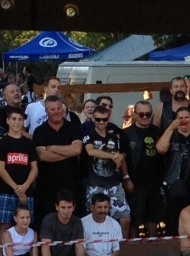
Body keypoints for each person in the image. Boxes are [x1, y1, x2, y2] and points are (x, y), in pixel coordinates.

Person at [82, 106, 131, 237]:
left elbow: (119, 157)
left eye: (104, 119)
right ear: (93, 119)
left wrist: (119, 159)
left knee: (125, 218)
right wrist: (112, 156)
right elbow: (90, 151)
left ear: (109, 119)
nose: (101, 122)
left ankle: (121, 247)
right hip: (95, 184)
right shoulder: (88, 135)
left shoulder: (114, 137)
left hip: (113, 183)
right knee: (94, 218)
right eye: (98, 119)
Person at [0, 106, 38, 249]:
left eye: (20, 119)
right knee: (5, 225)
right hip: (6, 190)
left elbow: (34, 168)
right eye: (14, 119)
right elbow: (0, 168)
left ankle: (25, 255)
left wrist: (24, 187)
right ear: (8, 121)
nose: (17, 122)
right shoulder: (2, 143)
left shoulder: (29, 143)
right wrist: (16, 188)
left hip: (26, 191)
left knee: (25, 224)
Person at [33, 95, 83, 220]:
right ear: (46, 111)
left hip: (71, 184)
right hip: (47, 187)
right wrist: (67, 152)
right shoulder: (39, 131)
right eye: (53, 109)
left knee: (72, 220)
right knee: (48, 220)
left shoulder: (74, 128)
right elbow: (43, 156)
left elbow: (77, 150)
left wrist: (52, 148)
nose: (57, 112)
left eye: (59, 108)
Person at [157, 106, 190, 215]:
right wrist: (171, 128)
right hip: (175, 183)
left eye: (187, 117)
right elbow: (160, 149)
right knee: (174, 216)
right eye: (180, 118)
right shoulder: (171, 134)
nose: (184, 120)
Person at [120, 99, 164, 238]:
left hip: (154, 180)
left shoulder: (156, 130)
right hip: (135, 181)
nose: (145, 117)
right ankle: (135, 244)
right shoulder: (126, 133)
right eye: (141, 114)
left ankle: (152, 243)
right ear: (135, 114)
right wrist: (126, 178)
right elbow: (122, 158)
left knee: (153, 215)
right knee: (135, 215)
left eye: (148, 114)